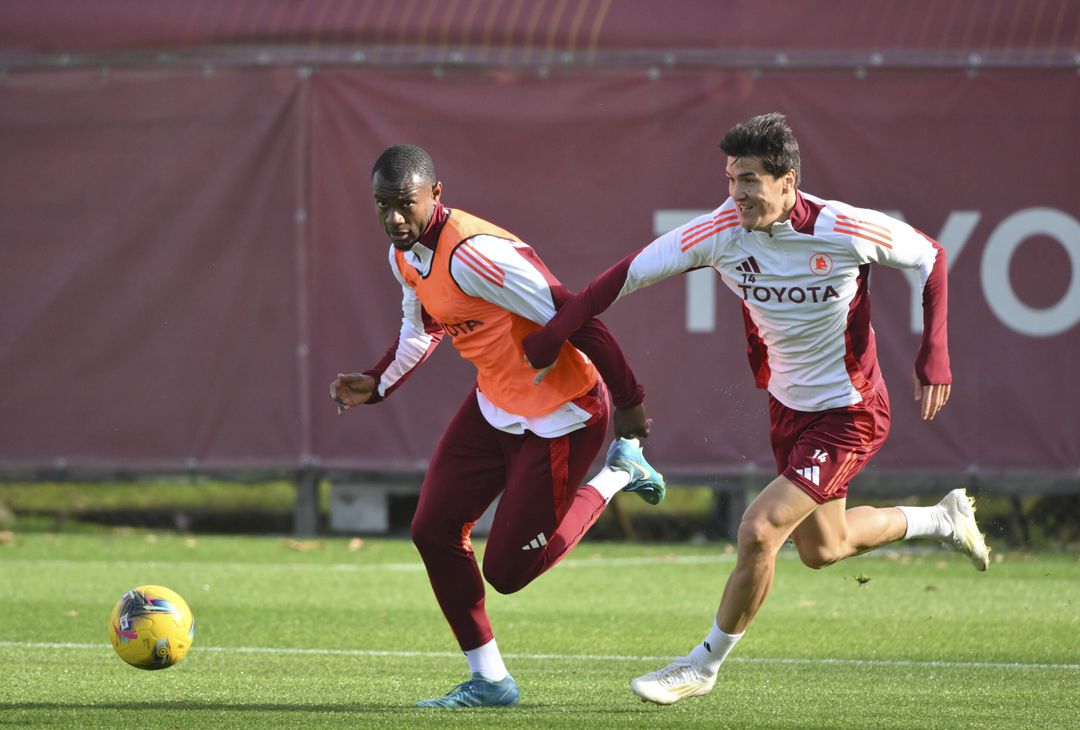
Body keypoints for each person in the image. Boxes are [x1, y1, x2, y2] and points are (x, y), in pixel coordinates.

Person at [523, 113, 990, 705]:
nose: (736, 194)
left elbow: (932, 257)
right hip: (789, 410)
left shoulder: (840, 226)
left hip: (850, 412)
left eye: (748, 180)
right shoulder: (718, 232)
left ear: (787, 180)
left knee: (760, 529)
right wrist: (551, 336)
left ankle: (702, 664)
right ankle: (941, 520)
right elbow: (618, 282)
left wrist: (935, 354)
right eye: (729, 179)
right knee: (826, 548)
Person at [329, 144, 666, 709]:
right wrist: (377, 381)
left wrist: (630, 403)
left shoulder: (476, 255)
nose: (393, 218)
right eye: (382, 205)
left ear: (435, 195)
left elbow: (578, 314)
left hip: (564, 414)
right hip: (493, 408)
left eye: (404, 204)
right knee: (432, 531)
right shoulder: (405, 254)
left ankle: (618, 474)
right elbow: (423, 329)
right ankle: (490, 681)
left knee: (508, 572)